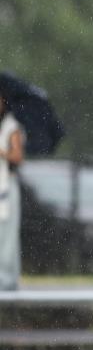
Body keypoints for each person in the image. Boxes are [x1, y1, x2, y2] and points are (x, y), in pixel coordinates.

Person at [0, 95, 25, 291]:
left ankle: (7, 278)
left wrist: (2, 151)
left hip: (7, 184)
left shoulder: (11, 126)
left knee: (7, 234)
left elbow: (17, 156)